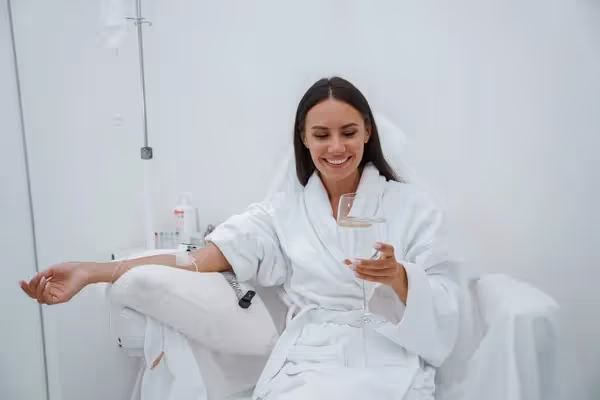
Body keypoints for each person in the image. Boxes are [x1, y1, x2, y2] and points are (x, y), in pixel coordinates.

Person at [21, 77, 460, 400]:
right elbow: (198, 260)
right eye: (321, 135)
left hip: (387, 350)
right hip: (313, 358)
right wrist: (93, 272)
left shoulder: (412, 207)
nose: (336, 147)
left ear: (367, 131)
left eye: (348, 132)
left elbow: (445, 300)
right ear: (303, 138)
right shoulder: (282, 213)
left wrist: (399, 277)